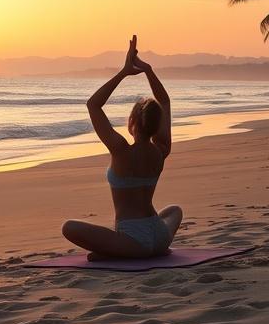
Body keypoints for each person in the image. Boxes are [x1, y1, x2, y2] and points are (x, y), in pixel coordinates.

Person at [62, 35, 182, 259]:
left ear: (132, 123)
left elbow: (93, 104)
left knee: (68, 227)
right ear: (157, 125)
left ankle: (115, 252)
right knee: (174, 210)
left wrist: (124, 72)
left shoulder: (120, 150)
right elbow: (164, 102)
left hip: (133, 242)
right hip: (159, 237)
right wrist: (148, 70)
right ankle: (122, 250)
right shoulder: (162, 150)